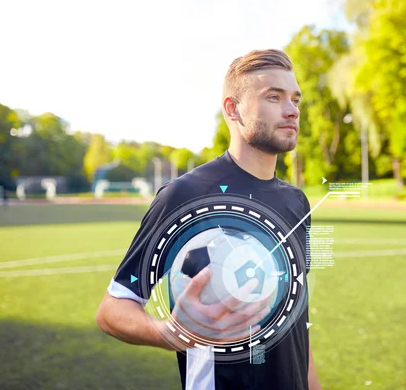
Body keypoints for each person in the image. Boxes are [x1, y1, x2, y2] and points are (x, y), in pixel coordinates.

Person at [95, 49, 321, 390]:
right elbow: (112, 310)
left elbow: (297, 320)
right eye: (273, 97)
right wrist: (169, 332)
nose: (291, 110)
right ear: (233, 109)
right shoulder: (186, 195)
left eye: (295, 99)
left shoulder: (297, 202)